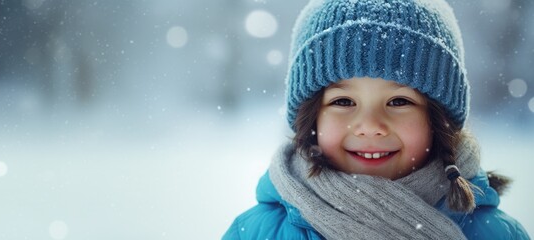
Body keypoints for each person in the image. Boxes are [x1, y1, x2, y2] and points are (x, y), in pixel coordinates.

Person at [223, 0, 531, 239]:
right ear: (311, 119)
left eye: (398, 101)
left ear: (438, 120)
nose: (370, 124)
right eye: (343, 101)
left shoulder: (496, 233)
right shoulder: (256, 232)